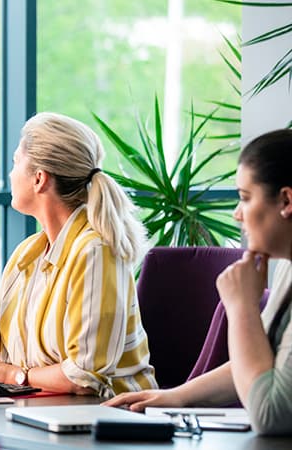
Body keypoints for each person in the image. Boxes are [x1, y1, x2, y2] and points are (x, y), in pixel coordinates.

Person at [105, 129, 292, 435]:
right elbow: (260, 366)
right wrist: (174, 397)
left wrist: (242, 307)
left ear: (285, 200)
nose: (237, 215)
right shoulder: (287, 268)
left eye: (245, 198)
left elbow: (270, 415)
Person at [0, 112, 157, 396]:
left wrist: (18, 376)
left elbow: (83, 377)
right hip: (40, 413)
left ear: (39, 179)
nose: (10, 173)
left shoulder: (95, 253)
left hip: (107, 421)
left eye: (15, 163)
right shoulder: (28, 253)